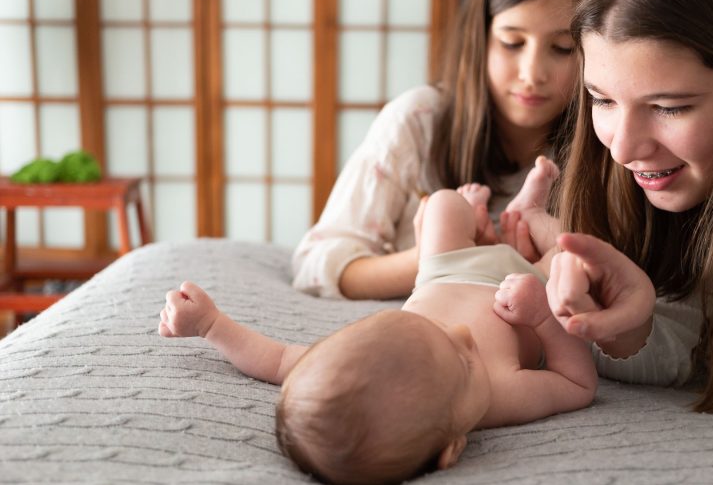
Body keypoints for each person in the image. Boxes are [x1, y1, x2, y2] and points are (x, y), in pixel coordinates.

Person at [159, 158, 596, 484]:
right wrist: (541, 314)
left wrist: (211, 325)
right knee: (574, 256)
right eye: (465, 365)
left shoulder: (343, 369)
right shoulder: (502, 398)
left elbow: (274, 361)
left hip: (447, 270)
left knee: (443, 205)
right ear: (452, 449)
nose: (462, 334)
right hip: (526, 286)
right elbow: (577, 384)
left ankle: (488, 224)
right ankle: (529, 216)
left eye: (433, 329)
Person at [506, 0, 713, 421]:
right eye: (601, 99)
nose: (622, 149)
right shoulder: (678, 187)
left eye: (669, 107)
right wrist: (625, 321)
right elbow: (691, 344)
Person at [291, 0, 604, 300]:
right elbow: (315, 265)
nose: (531, 74)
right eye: (512, 43)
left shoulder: (606, 140)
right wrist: (438, 254)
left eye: (562, 48)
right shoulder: (418, 121)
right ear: (481, 37)